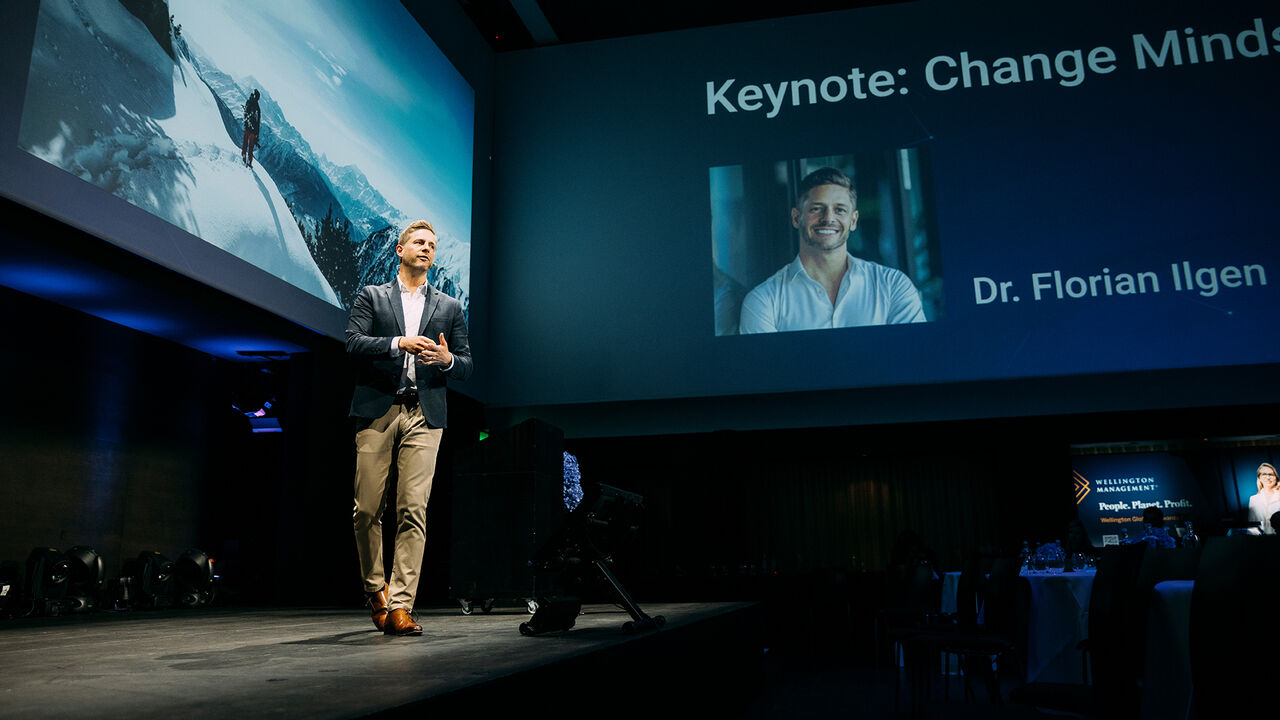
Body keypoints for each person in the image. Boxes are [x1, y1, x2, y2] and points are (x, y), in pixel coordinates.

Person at [346, 220, 472, 636]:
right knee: (366, 510)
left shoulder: (450, 307)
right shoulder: (372, 296)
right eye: (419, 242)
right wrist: (398, 343)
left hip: (425, 414)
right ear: (400, 250)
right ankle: (375, 592)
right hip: (379, 409)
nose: (427, 248)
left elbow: (467, 364)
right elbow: (352, 342)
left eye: (432, 245)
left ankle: (401, 605)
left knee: (412, 510)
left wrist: (446, 360)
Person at [738, 167, 926, 334]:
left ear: (853, 221)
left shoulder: (894, 287)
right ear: (796, 218)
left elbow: (914, 362)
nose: (828, 218)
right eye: (816, 209)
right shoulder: (763, 301)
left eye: (840, 210)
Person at [1247, 462, 1280, 534]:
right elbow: (1252, 525)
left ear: (1276, 477)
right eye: (1264, 474)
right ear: (1259, 478)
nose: (1268, 477)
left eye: (1271, 474)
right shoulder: (1253, 499)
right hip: (1261, 541)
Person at [241, 89, 261, 168]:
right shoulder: (257, 108)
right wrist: (257, 135)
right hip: (253, 130)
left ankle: (243, 155)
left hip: (247, 128)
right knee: (251, 147)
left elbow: (245, 114)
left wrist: (246, 125)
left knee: (245, 142)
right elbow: (258, 123)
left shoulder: (248, 102)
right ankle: (249, 161)